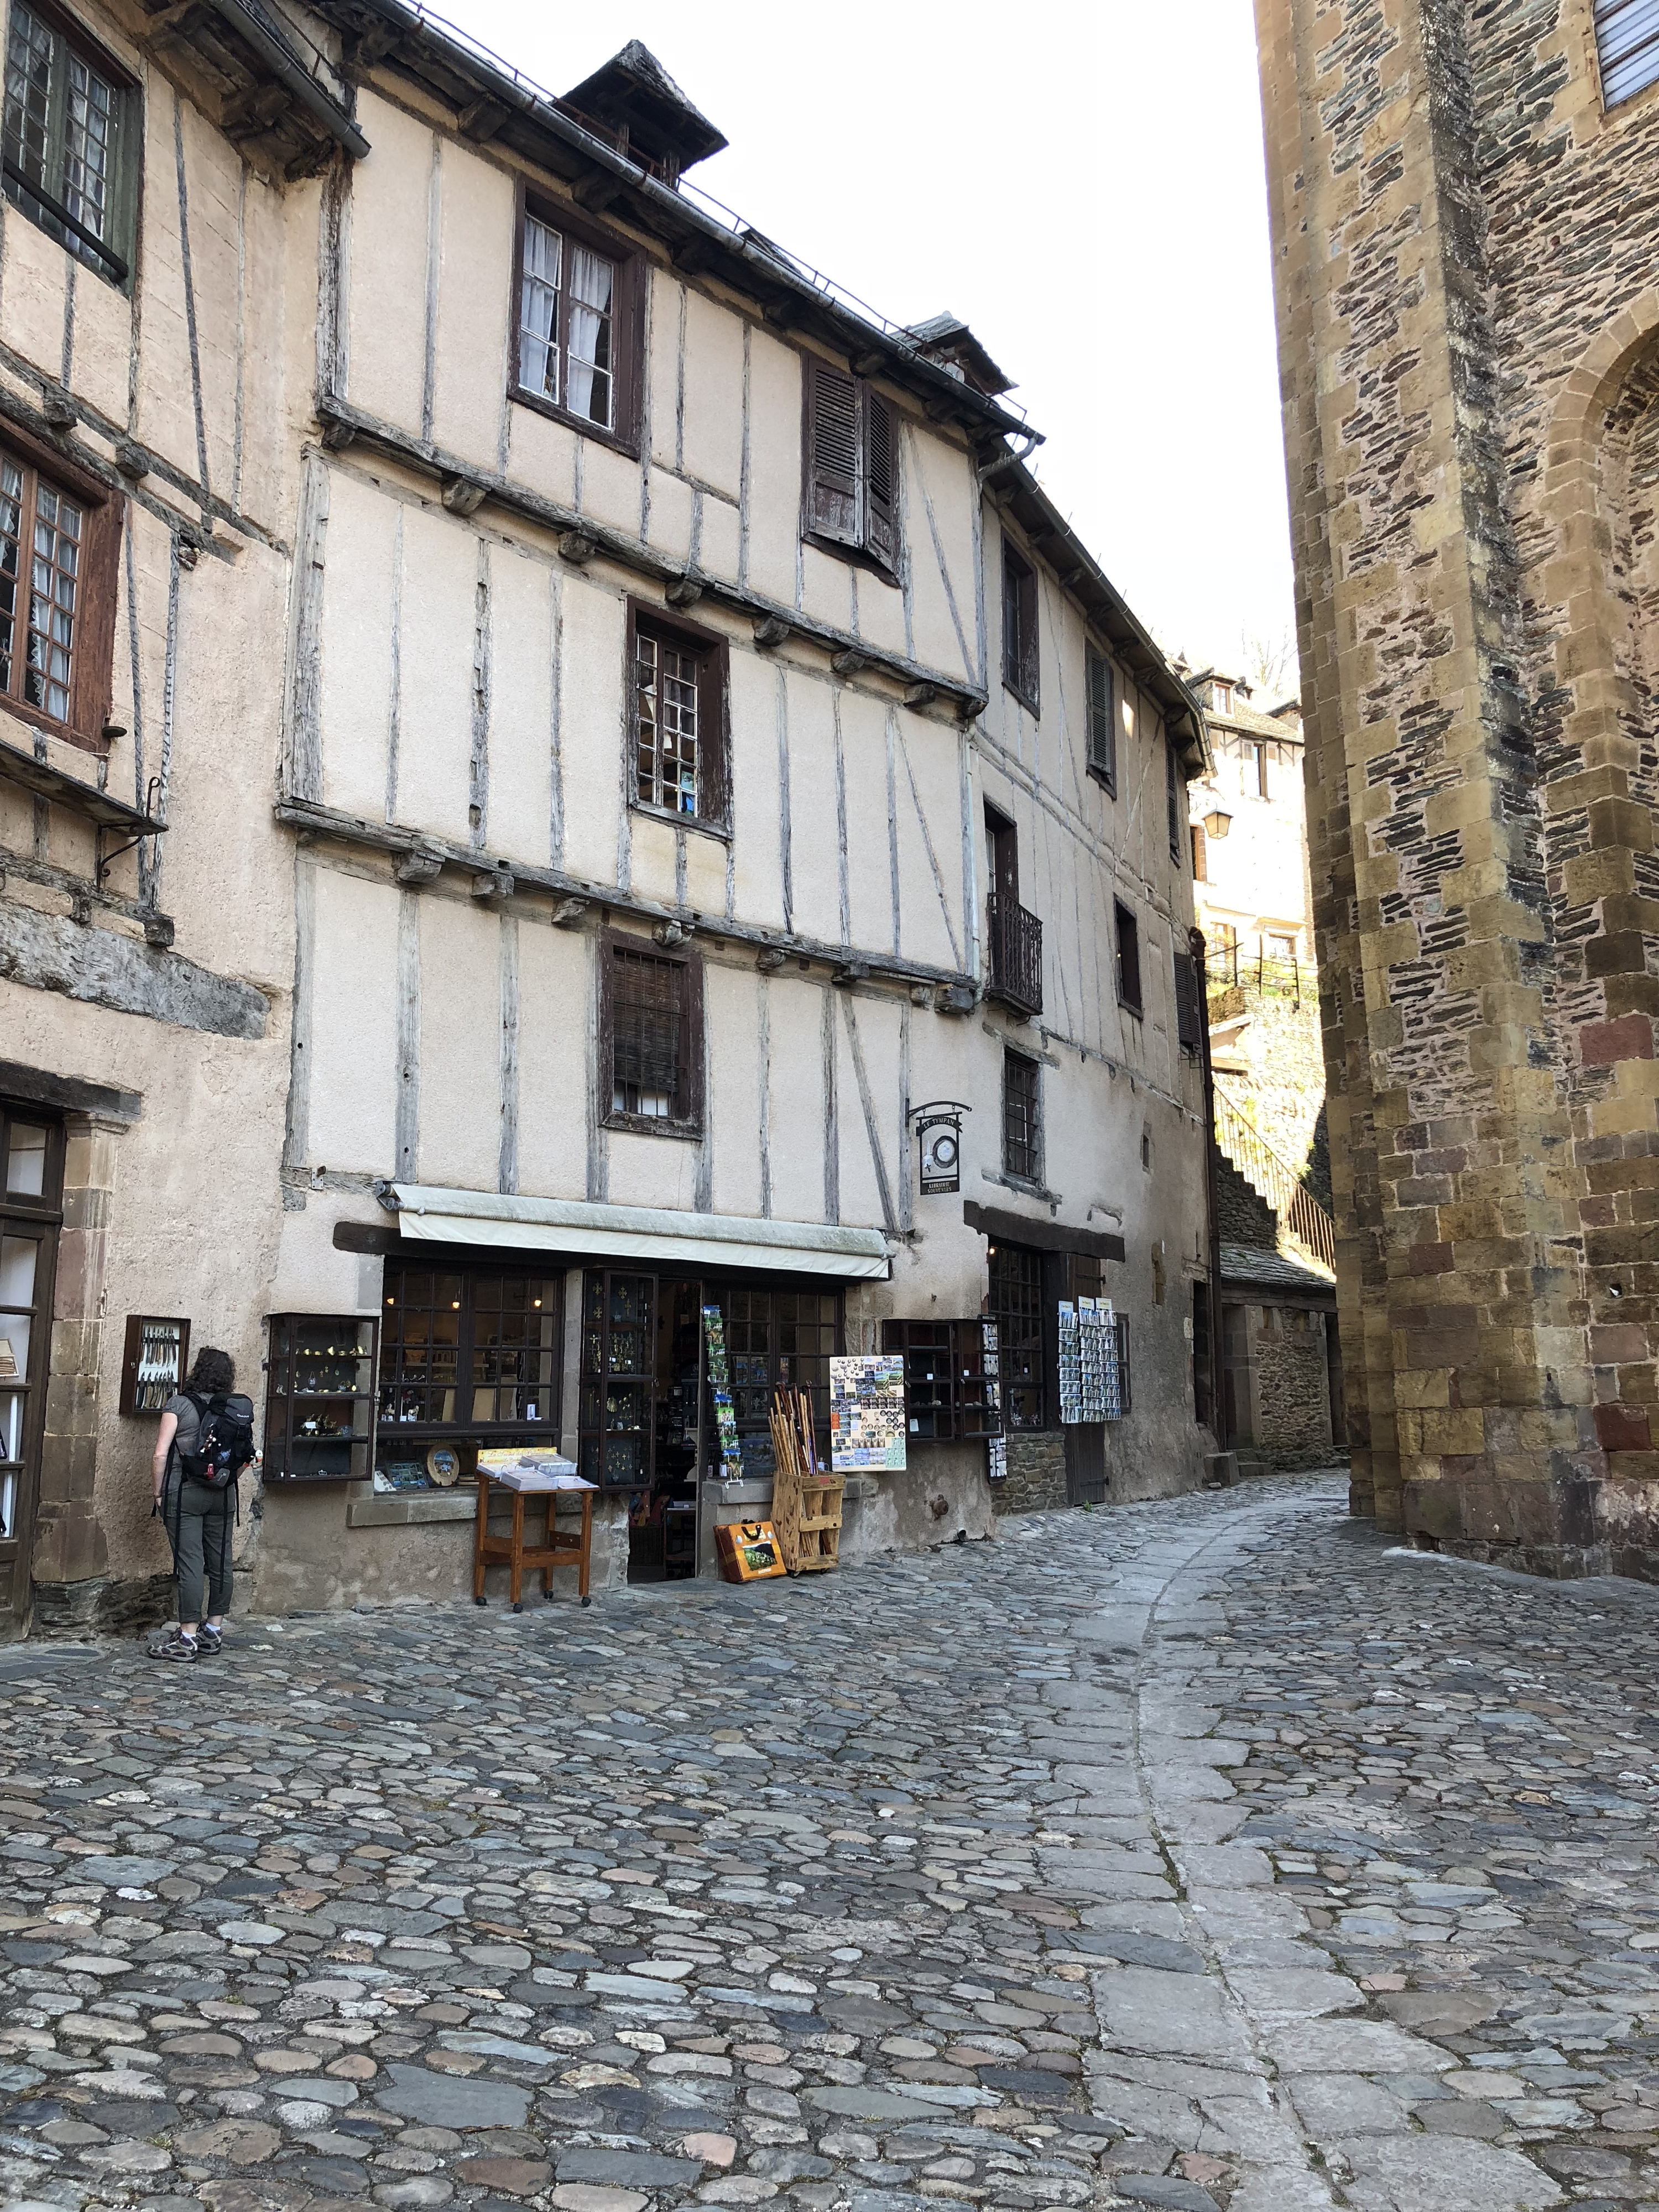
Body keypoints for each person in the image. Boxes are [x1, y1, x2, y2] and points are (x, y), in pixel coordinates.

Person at [149, 1346, 243, 1662]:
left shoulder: (179, 1404)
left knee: (190, 1563)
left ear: (196, 1371)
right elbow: (246, 1458)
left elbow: (161, 1453)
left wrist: (158, 1493)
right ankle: (213, 1631)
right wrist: (225, 1479)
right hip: (223, 1494)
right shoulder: (235, 1408)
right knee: (220, 1562)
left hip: (184, 1492)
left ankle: (187, 1636)